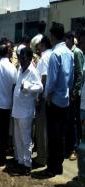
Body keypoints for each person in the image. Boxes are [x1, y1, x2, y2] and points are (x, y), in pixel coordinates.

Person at [40, 23, 74, 178]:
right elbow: (71, 78)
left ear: (53, 36)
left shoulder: (55, 54)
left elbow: (51, 79)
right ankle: (58, 166)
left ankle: (52, 167)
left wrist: (47, 96)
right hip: (65, 99)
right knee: (60, 135)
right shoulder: (69, 52)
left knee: (53, 135)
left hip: (54, 99)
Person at [12, 47, 43, 175]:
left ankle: (27, 163)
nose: (21, 60)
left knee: (25, 138)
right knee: (18, 137)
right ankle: (20, 160)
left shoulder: (32, 71)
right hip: (17, 109)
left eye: (24, 58)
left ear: (30, 58)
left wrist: (28, 87)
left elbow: (40, 87)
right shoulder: (20, 69)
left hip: (26, 111)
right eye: (20, 57)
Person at [65, 31, 84, 161]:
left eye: (66, 39)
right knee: (70, 121)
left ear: (71, 39)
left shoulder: (76, 52)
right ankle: (70, 147)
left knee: (75, 121)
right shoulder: (69, 53)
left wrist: (75, 91)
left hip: (74, 94)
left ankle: (75, 149)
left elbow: (79, 74)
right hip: (69, 93)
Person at [35, 35, 53, 167]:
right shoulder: (52, 54)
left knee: (42, 129)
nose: (38, 47)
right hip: (53, 97)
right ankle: (45, 156)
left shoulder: (44, 57)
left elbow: (44, 77)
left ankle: (42, 158)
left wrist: (40, 97)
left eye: (39, 45)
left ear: (43, 44)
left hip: (44, 97)